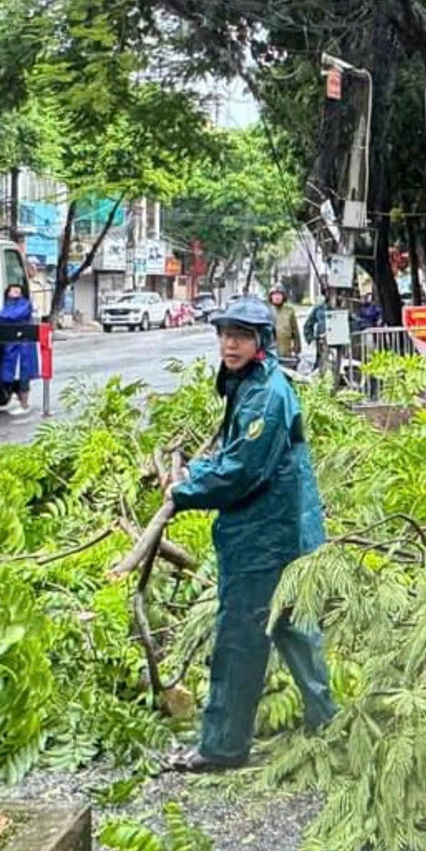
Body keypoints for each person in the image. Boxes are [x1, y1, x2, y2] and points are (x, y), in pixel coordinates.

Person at [166, 296, 336, 771]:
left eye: (240, 336)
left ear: (261, 341)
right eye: (224, 335)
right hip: (283, 532)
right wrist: (198, 469)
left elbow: (242, 469)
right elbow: (233, 453)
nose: (229, 344)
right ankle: (334, 728)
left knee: (240, 638)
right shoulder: (249, 385)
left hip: (265, 540)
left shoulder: (266, 394)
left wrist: (185, 492)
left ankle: (222, 747)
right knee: (295, 632)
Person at [0, 282, 39, 416]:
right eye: (13, 290)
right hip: (11, 345)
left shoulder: (24, 304)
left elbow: (12, 316)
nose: (15, 292)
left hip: (22, 346)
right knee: (9, 375)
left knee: (22, 375)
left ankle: (24, 404)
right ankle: (20, 400)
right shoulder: (7, 304)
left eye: (18, 291)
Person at [267, 285, 301, 368]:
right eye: (274, 295)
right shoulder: (267, 311)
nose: (277, 297)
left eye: (279, 295)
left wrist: (297, 349)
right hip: (270, 350)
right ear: (271, 297)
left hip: (286, 351)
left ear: (283, 296)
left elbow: (295, 332)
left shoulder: (289, 311)